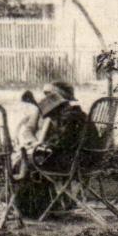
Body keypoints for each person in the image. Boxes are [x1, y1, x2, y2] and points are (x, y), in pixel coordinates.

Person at [11, 81, 89, 214]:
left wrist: (46, 145)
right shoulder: (65, 113)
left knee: (27, 163)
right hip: (47, 151)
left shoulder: (69, 116)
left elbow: (65, 141)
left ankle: (34, 208)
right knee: (27, 161)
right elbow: (29, 129)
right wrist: (36, 143)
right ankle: (35, 206)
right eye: (45, 94)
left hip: (61, 157)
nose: (46, 97)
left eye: (50, 94)